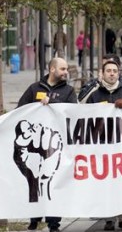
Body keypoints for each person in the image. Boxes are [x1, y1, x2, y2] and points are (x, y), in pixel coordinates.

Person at [18, 58, 76, 232]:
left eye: (66, 68)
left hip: (55, 146)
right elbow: (21, 108)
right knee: (33, 181)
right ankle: (34, 218)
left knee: (52, 182)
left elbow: (73, 111)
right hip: (35, 148)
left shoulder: (69, 90)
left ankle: (53, 223)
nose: (66, 71)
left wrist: (53, 104)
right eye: (63, 68)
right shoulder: (34, 88)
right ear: (52, 69)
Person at [85, 60, 122, 231]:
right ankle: (109, 218)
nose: (112, 73)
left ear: (118, 73)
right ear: (102, 73)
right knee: (106, 182)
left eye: (115, 71)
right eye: (108, 71)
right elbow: (83, 113)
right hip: (102, 144)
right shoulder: (93, 93)